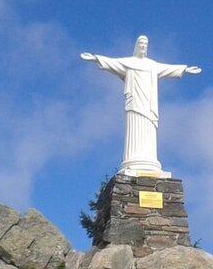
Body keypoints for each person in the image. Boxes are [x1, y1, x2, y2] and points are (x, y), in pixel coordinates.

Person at [81, 35, 201, 176]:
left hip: (149, 106)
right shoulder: (129, 62)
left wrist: (185, 69)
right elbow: (113, 63)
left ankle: (149, 161)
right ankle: (133, 161)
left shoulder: (152, 65)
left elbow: (167, 69)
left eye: (146, 44)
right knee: (135, 130)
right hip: (134, 104)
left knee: (149, 131)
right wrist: (96, 58)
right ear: (137, 46)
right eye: (142, 43)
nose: (144, 46)